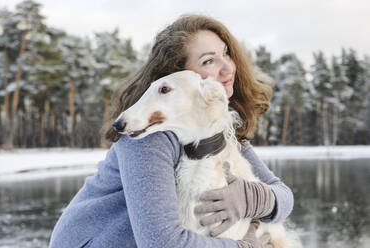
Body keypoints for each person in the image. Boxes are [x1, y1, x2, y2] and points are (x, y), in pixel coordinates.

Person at [49, 14, 293, 248]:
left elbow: (284, 196)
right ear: (177, 74)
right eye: (208, 61)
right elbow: (161, 243)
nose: (228, 68)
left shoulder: (211, 126)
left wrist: (254, 198)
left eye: (225, 54)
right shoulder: (148, 137)